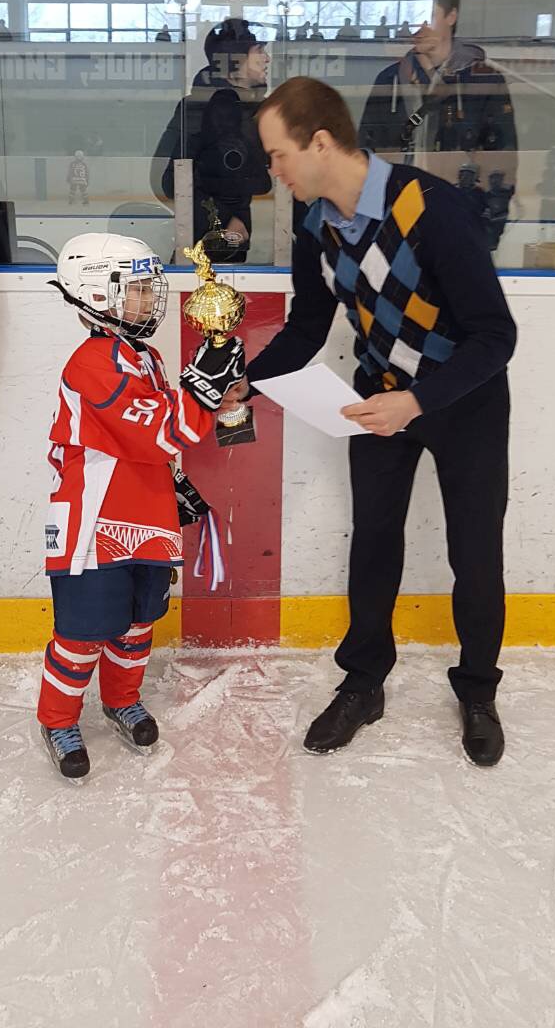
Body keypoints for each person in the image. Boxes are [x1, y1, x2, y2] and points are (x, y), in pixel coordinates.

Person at [230, 77, 516, 766]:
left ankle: (478, 690)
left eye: (278, 155)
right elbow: (307, 327)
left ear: (320, 143)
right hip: (377, 398)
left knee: (475, 552)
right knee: (374, 543)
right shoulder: (313, 226)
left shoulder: (431, 208)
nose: (273, 171)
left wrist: (416, 402)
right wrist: (249, 381)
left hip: (465, 402)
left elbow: (495, 336)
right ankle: (363, 682)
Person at [37, 232, 244, 779]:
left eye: (149, 287)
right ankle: (57, 719)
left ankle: (121, 699)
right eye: (137, 289)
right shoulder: (90, 364)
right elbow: (157, 432)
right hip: (94, 523)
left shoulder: (144, 357)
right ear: (96, 294)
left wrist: (217, 395)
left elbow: (168, 419)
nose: (150, 298)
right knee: (83, 633)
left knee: (136, 624)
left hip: (147, 514)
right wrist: (202, 388)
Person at [358, 0, 517, 188]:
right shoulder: (390, 80)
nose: (418, 26)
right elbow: (366, 153)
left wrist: (484, 208)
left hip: (458, 204)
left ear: (451, 16)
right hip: (400, 203)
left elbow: (503, 160)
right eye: (412, 15)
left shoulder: (484, 81)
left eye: (428, 15)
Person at [150, 17, 272, 262]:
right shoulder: (199, 108)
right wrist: (224, 220)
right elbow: (169, 179)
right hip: (202, 248)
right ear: (235, 59)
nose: (267, 58)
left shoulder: (254, 110)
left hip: (234, 246)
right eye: (259, 50)